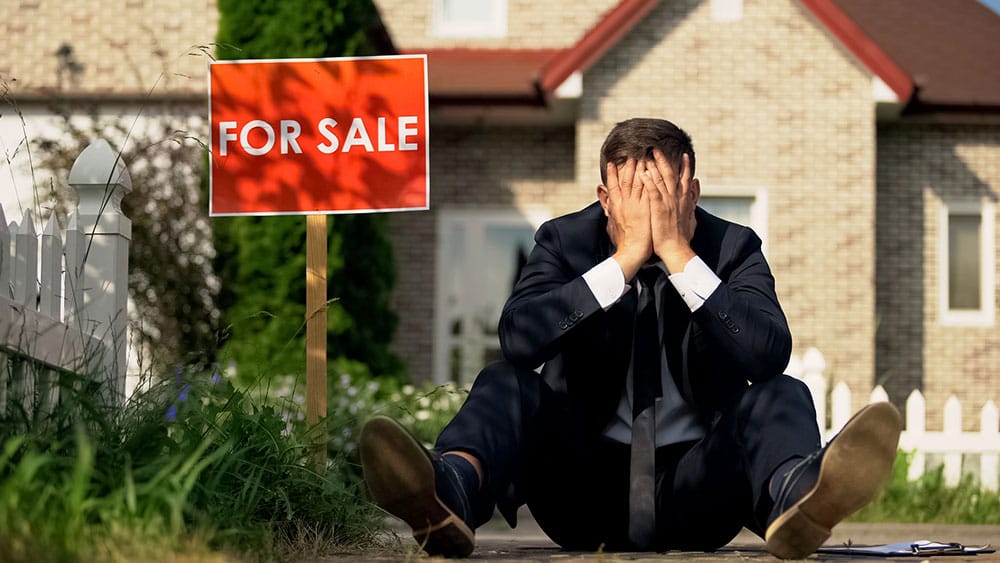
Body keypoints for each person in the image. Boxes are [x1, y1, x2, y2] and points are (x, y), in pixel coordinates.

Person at [360, 118, 902, 559]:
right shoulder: (565, 241)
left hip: (699, 489)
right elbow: (519, 338)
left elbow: (767, 352)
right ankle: (447, 493)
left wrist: (679, 256)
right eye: (634, 198)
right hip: (580, 489)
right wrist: (620, 265)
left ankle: (798, 499)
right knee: (505, 380)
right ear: (604, 197)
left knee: (783, 390)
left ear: (691, 193)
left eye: (664, 197)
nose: (649, 214)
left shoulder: (732, 247)